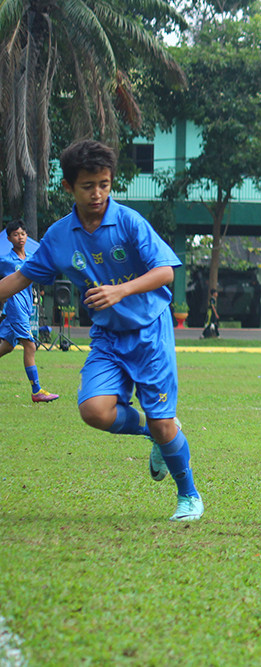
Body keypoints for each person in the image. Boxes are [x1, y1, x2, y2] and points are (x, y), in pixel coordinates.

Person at [0, 139, 203, 521]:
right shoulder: (60, 237)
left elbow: (165, 272)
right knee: (94, 411)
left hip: (149, 333)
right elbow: (20, 278)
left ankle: (189, 495)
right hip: (108, 339)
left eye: (104, 184)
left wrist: (120, 290)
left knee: (162, 421)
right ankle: (157, 433)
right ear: (68, 188)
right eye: (88, 186)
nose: (97, 194)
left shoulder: (127, 221)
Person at [0, 220, 59, 403]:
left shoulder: (32, 257)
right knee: (30, 345)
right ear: (9, 238)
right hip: (15, 307)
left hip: (26, 307)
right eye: (16, 234)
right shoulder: (5, 261)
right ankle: (37, 390)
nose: (20, 237)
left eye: (23, 234)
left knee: (8, 346)